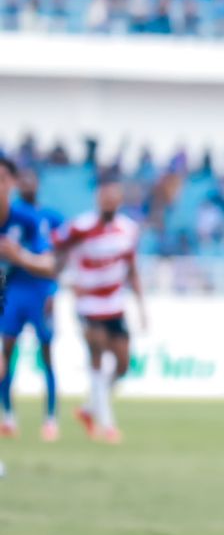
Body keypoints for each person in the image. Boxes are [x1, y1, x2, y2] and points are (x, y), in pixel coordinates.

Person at [52, 174, 145, 445]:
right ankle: (108, 425)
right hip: (89, 305)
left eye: (114, 196)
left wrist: (142, 308)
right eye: (105, 195)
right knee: (97, 355)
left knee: (123, 365)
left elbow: (133, 270)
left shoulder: (128, 230)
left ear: (119, 199)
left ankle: (89, 408)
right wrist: (68, 281)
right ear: (98, 198)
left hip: (115, 305)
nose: (109, 200)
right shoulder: (80, 227)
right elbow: (54, 250)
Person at [0, 160, 62, 441]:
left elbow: (51, 263)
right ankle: (8, 416)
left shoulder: (31, 219)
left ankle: (50, 419)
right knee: (5, 356)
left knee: (46, 356)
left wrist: (19, 257)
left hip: (38, 291)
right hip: (10, 293)